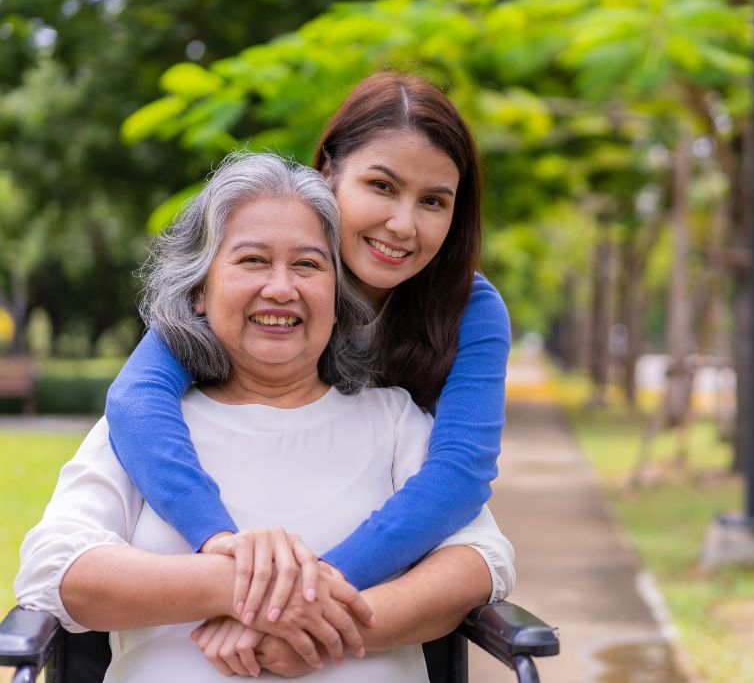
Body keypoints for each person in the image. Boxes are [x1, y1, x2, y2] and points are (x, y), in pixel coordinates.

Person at [15, 153, 514, 682]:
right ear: (200, 291)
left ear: (338, 296)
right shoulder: (148, 427)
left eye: (307, 265)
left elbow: (480, 559)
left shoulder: (393, 421)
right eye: (252, 260)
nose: (281, 288)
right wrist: (236, 584)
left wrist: (321, 629)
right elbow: (54, 567)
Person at [102, 73, 509, 644]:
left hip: (375, 567)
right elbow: (135, 398)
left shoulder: (471, 308)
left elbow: (460, 472)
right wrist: (221, 545)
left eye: (433, 201)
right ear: (328, 175)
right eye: (382, 186)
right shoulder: (259, 282)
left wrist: (304, 592)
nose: (403, 223)